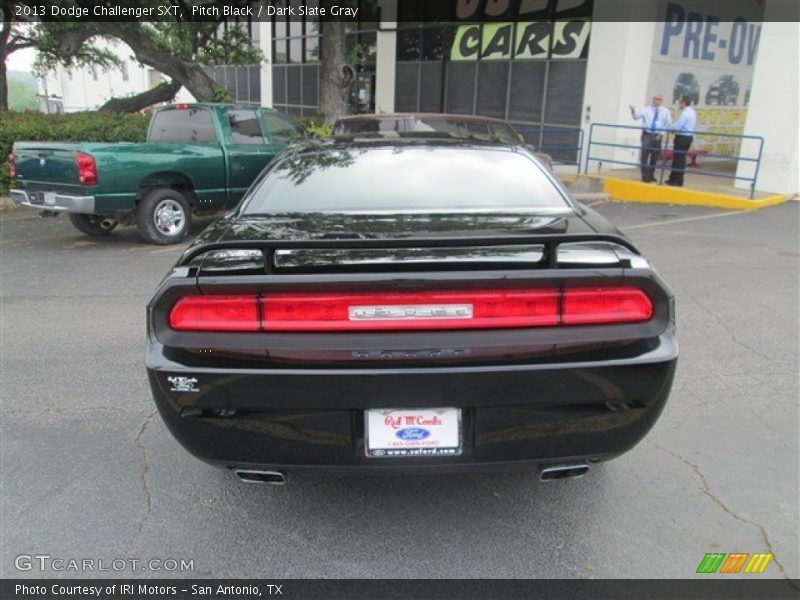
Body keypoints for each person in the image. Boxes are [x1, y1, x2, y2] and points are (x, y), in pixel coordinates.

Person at [630, 93, 672, 182]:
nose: (655, 101)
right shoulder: (646, 109)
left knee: (655, 156)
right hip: (647, 134)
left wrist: (661, 134)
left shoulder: (665, 111)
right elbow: (635, 117)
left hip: (658, 135)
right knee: (645, 155)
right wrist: (633, 111)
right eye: (654, 99)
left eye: (658, 99)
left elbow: (668, 123)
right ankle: (645, 176)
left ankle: (651, 174)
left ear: (661, 101)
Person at [666, 95, 697, 187]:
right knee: (680, 158)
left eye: (679, 102)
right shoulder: (692, 112)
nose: (679, 104)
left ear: (683, 103)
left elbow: (677, 126)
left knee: (678, 159)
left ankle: (676, 180)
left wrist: (670, 126)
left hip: (682, 137)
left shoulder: (685, 113)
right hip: (688, 137)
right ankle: (676, 179)